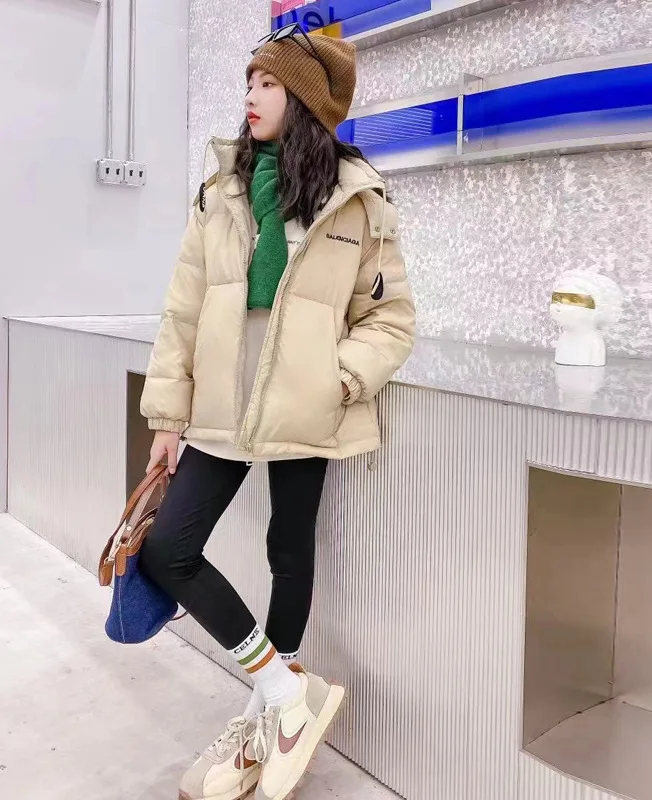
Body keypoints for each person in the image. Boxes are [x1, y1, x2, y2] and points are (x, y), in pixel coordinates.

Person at [138, 24, 415, 800]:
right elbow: (182, 310)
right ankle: (285, 692)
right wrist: (167, 417)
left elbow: (391, 319)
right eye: (249, 82)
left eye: (267, 83)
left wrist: (338, 380)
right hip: (222, 400)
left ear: (304, 99)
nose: (250, 96)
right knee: (168, 550)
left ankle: (269, 715)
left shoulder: (357, 200)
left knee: (288, 552)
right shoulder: (220, 192)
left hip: (304, 401)